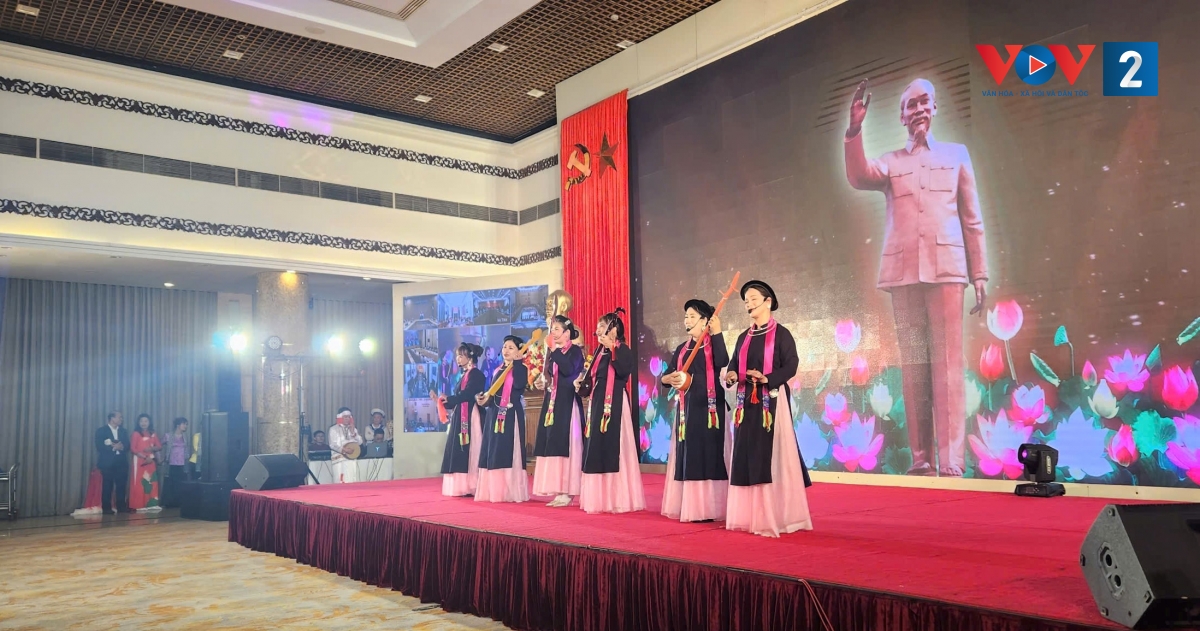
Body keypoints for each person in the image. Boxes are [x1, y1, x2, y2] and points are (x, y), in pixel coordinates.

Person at [843, 78, 988, 476]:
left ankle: (952, 461)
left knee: (948, 366)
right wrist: (854, 129)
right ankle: (921, 458)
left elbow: (972, 218)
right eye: (912, 104)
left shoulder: (957, 155)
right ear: (902, 116)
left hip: (947, 272)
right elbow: (859, 175)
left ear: (934, 108)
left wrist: (979, 273)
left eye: (925, 102)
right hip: (903, 274)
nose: (920, 109)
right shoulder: (891, 162)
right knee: (914, 368)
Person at [722, 280, 813, 537]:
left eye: (753, 299)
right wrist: (731, 376)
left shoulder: (782, 334)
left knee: (773, 456)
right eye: (746, 301)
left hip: (771, 402)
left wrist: (767, 378)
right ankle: (750, 516)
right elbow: (733, 365)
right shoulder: (744, 337)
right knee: (747, 455)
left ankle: (779, 515)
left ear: (768, 302)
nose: (748, 304)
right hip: (746, 404)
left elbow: (791, 365)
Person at [661, 299, 729, 522]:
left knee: (709, 454)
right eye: (686, 317)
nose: (687, 321)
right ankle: (693, 507)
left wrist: (717, 333)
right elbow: (668, 375)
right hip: (687, 410)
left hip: (710, 410)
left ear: (705, 321)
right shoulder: (682, 349)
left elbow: (723, 361)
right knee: (690, 455)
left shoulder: (713, 344)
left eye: (692, 317)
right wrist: (668, 379)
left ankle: (712, 509)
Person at [577, 308, 645, 514]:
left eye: (602, 326)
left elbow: (623, 371)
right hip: (598, 402)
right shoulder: (599, 353)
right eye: (598, 326)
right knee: (596, 446)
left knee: (616, 446)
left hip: (614, 402)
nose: (598, 330)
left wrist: (612, 347)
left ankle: (618, 498)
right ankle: (600, 499)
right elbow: (592, 378)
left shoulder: (623, 349)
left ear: (613, 329)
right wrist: (582, 383)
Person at [532, 316, 585, 507]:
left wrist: (554, 351)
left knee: (567, 445)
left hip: (567, 403)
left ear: (567, 333)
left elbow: (569, 369)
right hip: (552, 403)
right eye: (551, 329)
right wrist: (542, 382)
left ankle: (568, 490)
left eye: (556, 329)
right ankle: (558, 488)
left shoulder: (575, 351)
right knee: (552, 443)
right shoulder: (553, 353)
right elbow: (550, 376)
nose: (552, 333)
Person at [475, 335, 530, 503]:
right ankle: (495, 491)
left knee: (508, 450)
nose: (506, 350)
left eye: (511, 347)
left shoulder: (521, 369)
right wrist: (483, 399)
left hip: (511, 415)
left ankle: (510, 492)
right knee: (494, 450)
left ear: (519, 351)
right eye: (505, 346)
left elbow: (519, 385)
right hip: (494, 415)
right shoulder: (497, 369)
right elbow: (492, 393)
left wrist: (518, 363)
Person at [440, 343, 485, 496]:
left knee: (472, 447)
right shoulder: (464, 375)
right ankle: (463, 485)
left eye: (461, 355)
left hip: (471, 414)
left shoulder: (476, 374)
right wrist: (446, 401)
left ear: (470, 357)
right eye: (457, 356)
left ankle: (473, 483)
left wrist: (451, 399)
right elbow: (460, 397)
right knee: (460, 449)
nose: (458, 359)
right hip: (461, 414)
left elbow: (468, 394)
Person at [94, 412, 131, 514]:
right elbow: (99, 446)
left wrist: (122, 447)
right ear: (112, 418)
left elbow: (128, 445)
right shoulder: (101, 431)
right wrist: (114, 448)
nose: (121, 419)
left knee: (121, 486)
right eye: (119, 417)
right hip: (107, 462)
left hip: (121, 461)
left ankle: (121, 507)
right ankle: (106, 508)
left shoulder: (123, 431)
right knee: (107, 486)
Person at [129, 413, 162, 511]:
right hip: (140, 461)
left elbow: (159, 446)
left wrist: (151, 449)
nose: (144, 423)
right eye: (141, 421)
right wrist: (144, 457)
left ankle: (152, 504)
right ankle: (139, 505)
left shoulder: (153, 433)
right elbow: (133, 449)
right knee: (140, 482)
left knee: (152, 481)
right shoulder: (136, 434)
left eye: (146, 421)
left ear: (149, 422)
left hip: (151, 460)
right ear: (138, 423)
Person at [162, 417, 191, 509]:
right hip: (171, 463)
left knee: (181, 484)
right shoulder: (168, 435)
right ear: (178, 425)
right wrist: (161, 457)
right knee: (171, 484)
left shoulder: (185, 436)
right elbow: (158, 446)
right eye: (184, 424)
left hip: (183, 464)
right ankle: (169, 503)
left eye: (186, 424)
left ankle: (180, 502)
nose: (185, 426)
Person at [328, 408, 363, 483]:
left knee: (351, 480)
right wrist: (345, 450)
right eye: (345, 417)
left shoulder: (353, 429)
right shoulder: (333, 429)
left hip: (351, 459)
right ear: (340, 417)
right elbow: (332, 445)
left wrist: (353, 433)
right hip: (339, 460)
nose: (347, 419)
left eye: (349, 417)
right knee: (340, 481)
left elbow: (360, 442)